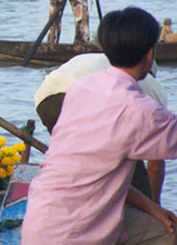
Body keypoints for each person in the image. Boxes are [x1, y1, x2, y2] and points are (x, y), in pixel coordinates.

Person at [23, 7, 177, 245]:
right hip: (76, 235)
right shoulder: (140, 110)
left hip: (39, 223)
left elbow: (96, 174)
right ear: (149, 55)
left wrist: (151, 207)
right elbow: (157, 165)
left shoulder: (83, 88)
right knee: (170, 235)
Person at [35, 53, 167, 204]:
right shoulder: (152, 88)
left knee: (86, 167)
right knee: (134, 180)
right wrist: (155, 204)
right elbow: (156, 164)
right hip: (83, 99)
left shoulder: (101, 61)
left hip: (46, 100)